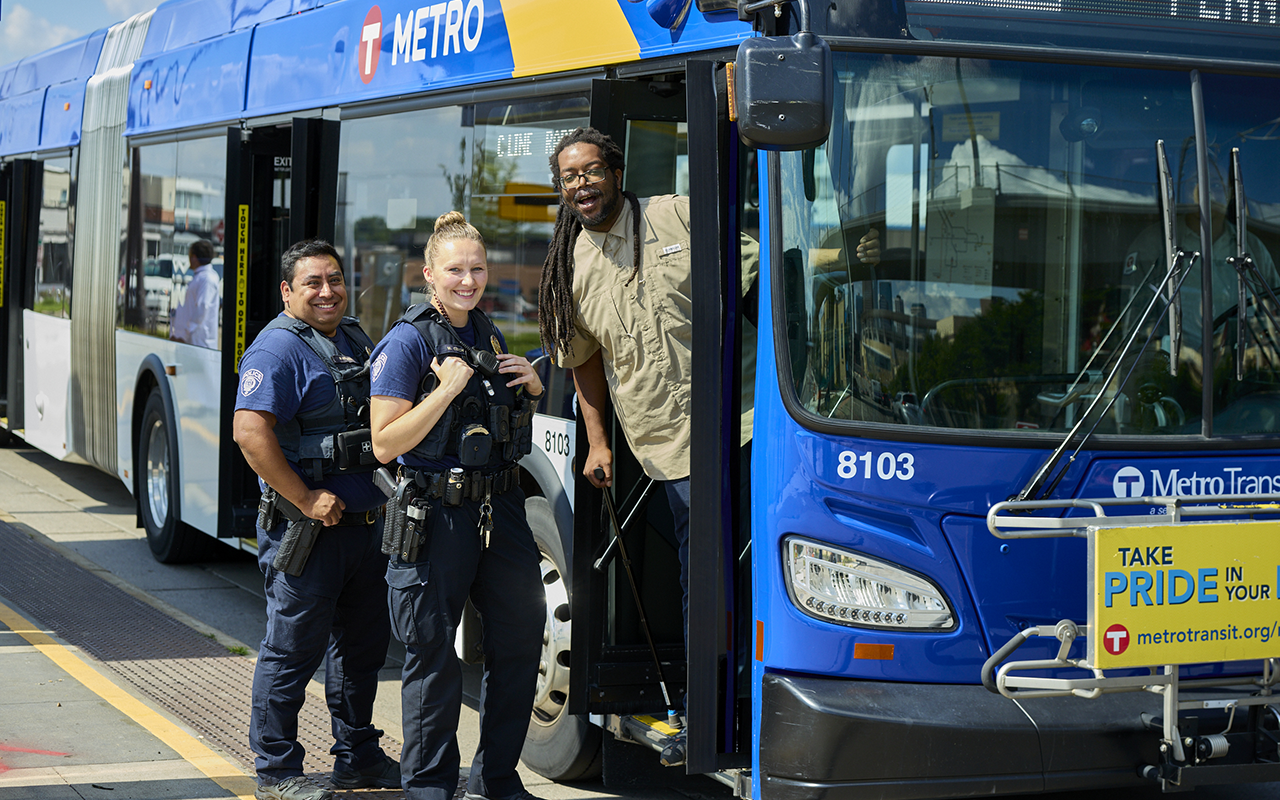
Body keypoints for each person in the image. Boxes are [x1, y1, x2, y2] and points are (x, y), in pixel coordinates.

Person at [368, 212, 546, 800]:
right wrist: (443, 390)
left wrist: (530, 388)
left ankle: (498, 779)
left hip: (500, 511)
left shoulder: (488, 333)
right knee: (433, 657)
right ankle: (428, 789)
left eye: (475, 268)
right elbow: (385, 442)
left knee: (520, 643)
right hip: (436, 516)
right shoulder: (407, 342)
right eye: (455, 270)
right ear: (429, 274)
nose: (467, 280)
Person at [233, 239, 398, 800]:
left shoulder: (352, 336)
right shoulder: (275, 352)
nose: (327, 292)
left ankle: (358, 759)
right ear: (287, 291)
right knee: (291, 651)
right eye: (313, 283)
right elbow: (249, 433)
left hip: (365, 527)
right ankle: (276, 772)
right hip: (306, 532)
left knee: (360, 651)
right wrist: (304, 498)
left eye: (334, 279)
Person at [170, 239, 220, 348]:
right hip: (193, 342)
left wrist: (186, 334)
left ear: (194, 257)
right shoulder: (201, 277)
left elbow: (202, 308)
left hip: (200, 343)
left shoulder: (207, 278)